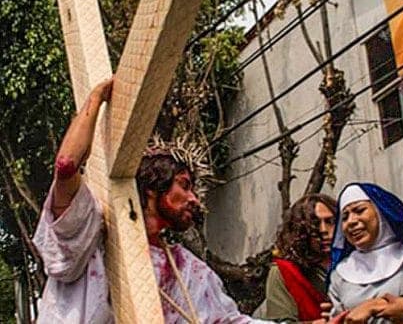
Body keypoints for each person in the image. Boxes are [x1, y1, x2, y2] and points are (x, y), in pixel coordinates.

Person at [32, 79, 273, 323]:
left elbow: (230, 322)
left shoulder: (189, 270)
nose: (194, 199)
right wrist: (96, 97)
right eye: (184, 185)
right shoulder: (89, 237)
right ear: (153, 187)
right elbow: (66, 165)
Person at [327, 183, 403, 323]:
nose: (351, 221)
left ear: (380, 213)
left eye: (359, 210)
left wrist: (390, 304)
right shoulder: (339, 275)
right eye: (345, 217)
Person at [264, 193, 337, 322]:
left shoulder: (354, 260)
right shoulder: (284, 271)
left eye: (330, 222)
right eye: (314, 224)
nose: (324, 230)